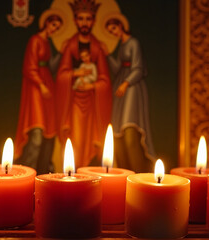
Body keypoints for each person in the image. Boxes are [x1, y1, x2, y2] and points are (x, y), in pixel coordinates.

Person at [56, 0, 112, 168]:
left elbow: (105, 80)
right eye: (81, 18)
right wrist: (75, 73)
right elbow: (61, 76)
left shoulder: (98, 49)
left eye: (88, 19)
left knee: (89, 141)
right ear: (75, 21)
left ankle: (86, 173)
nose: (84, 23)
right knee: (77, 139)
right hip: (74, 103)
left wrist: (92, 86)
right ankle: (75, 172)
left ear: (94, 21)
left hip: (92, 104)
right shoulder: (70, 46)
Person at [105, 14, 156, 172]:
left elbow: (138, 68)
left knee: (129, 130)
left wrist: (126, 83)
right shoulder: (122, 45)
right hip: (121, 88)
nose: (113, 32)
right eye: (110, 31)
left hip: (132, 88)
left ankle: (138, 172)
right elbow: (117, 69)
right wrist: (107, 54)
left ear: (121, 26)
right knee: (118, 133)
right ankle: (126, 171)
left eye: (114, 28)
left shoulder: (133, 42)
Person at [14, 10, 63, 174]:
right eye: (53, 25)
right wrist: (41, 85)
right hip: (36, 88)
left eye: (57, 28)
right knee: (37, 129)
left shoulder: (47, 42)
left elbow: (49, 65)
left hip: (47, 84)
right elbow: (29, 67)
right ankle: (28, 171)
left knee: (48, 132)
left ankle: (42, 171)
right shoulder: (35, 40)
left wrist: (62, 54)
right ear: (47, 23)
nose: (54, 29)